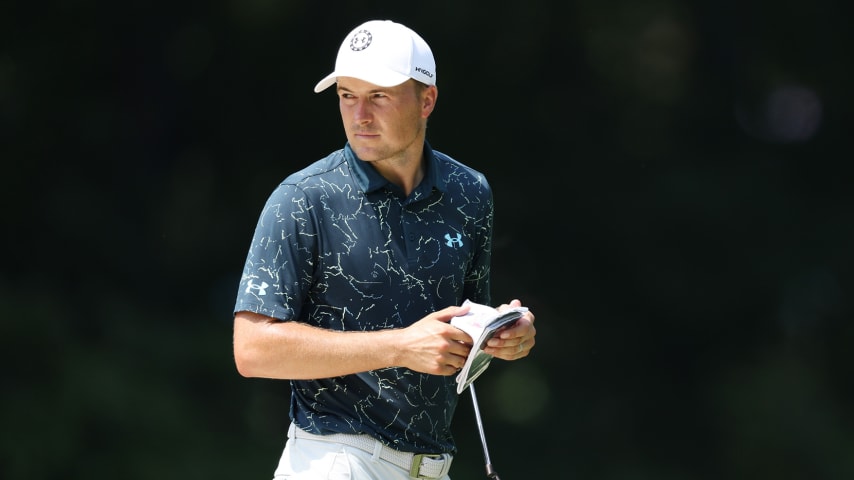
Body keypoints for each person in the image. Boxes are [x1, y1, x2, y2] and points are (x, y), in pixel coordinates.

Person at [232, 19, 537, 480]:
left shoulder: (470, 192)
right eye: (347, 96)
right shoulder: (303, 197)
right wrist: (399, 346)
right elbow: (252, 349)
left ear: (427, 100)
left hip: (432, 467)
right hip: (334, 461)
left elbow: (456, 339)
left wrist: (501, 335)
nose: (360, 115)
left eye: (378, 96)